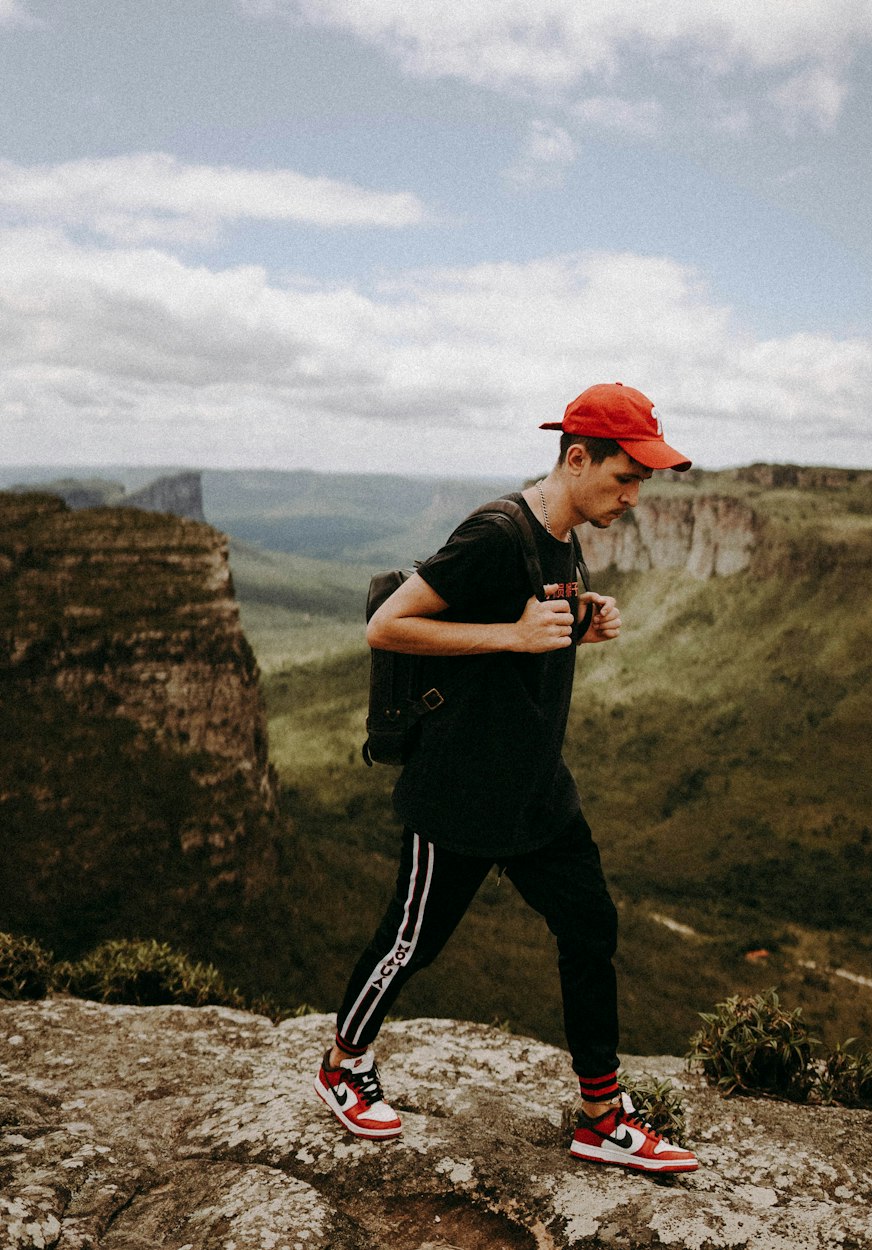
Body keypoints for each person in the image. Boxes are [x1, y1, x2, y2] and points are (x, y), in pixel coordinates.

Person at [314, 382, 699, 1175]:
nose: (632, 496)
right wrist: (517, 635)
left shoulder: (567, 535)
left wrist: (575, 628)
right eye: (624, 477)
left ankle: (599, 1114)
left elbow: (525, 636)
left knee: (590, 928)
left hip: (536, 791)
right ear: (577, 457)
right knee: (410, 943)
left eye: (642, 483)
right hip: (459, 791)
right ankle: (343, 1063)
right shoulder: (496, 533)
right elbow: (386, 626)